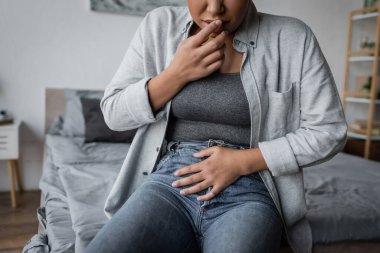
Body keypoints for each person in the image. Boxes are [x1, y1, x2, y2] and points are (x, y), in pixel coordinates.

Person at [84, 0, 347, 253]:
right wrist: (176, 74)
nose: (214, 8)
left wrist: (242, 162)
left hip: (252, 187)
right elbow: (114, 114)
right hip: (170, 182)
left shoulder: (293, 37)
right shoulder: (158, 25)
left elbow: (329, 130)